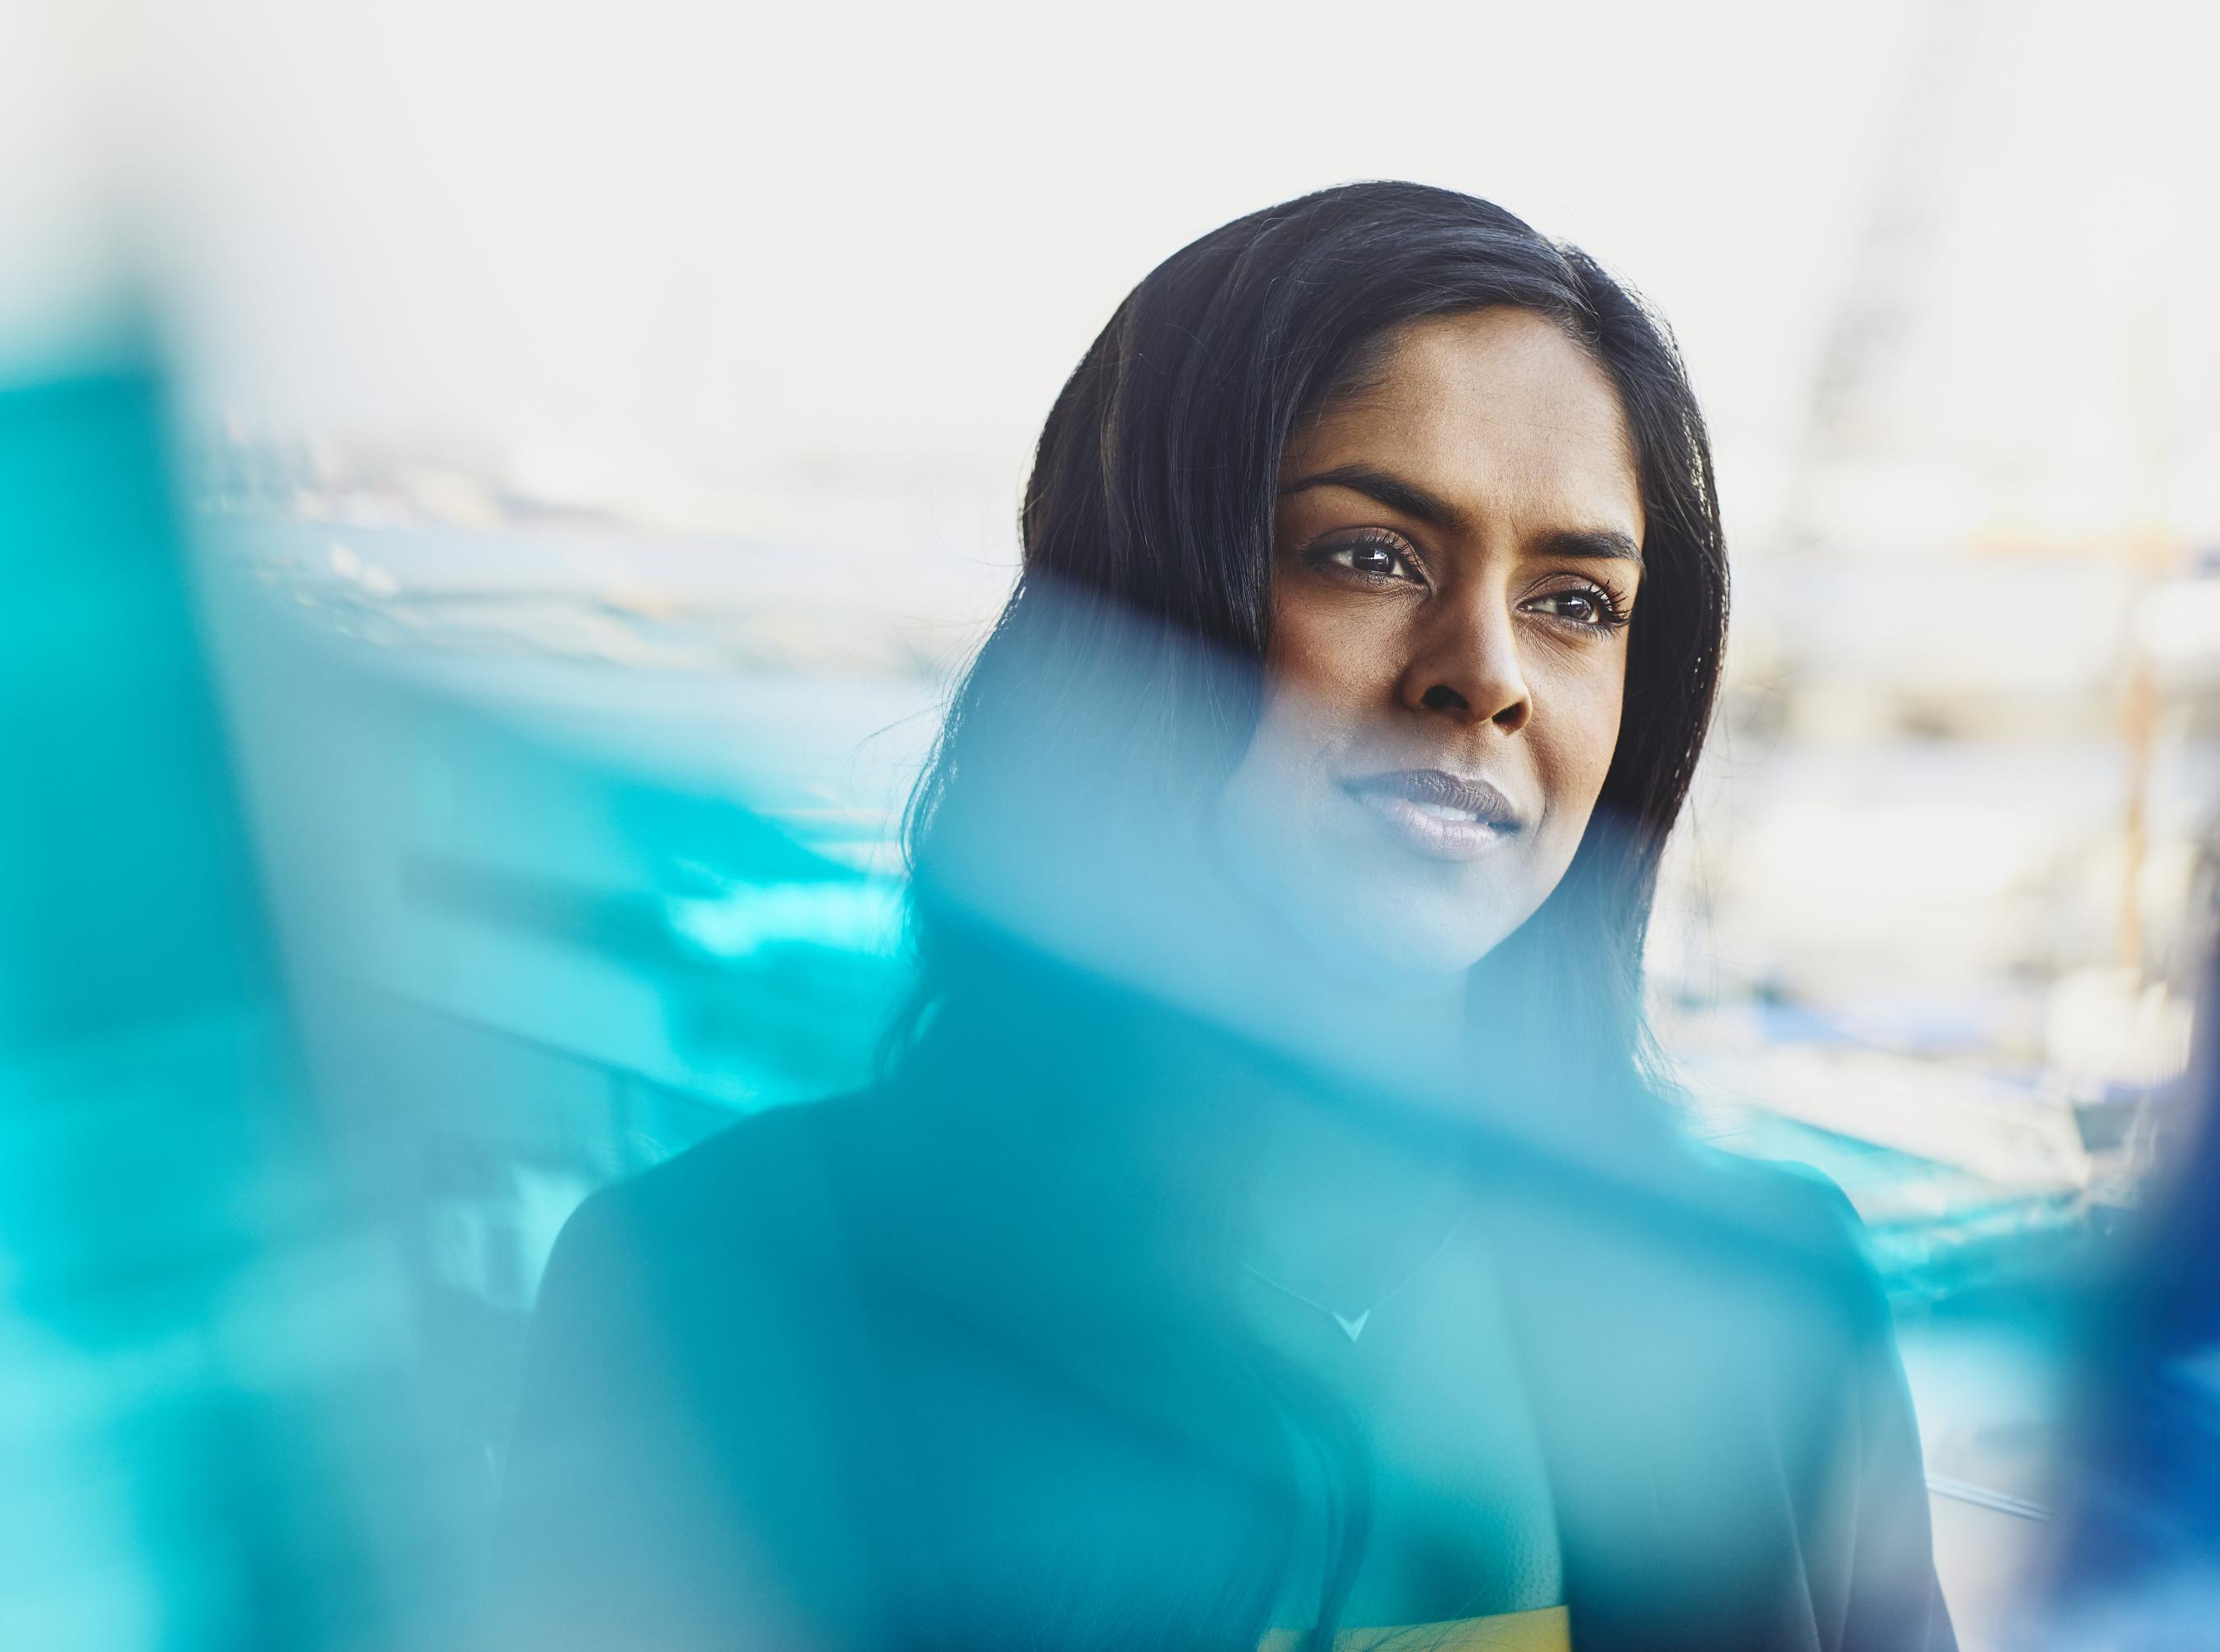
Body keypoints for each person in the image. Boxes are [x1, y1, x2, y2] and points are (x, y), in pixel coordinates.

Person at [494, 182, 1956, 1652]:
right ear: (1134, 601)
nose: (1487, 670)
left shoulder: (1771, 1295)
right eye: (1370, 556)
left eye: (1576, 599)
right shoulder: (723, 1283)